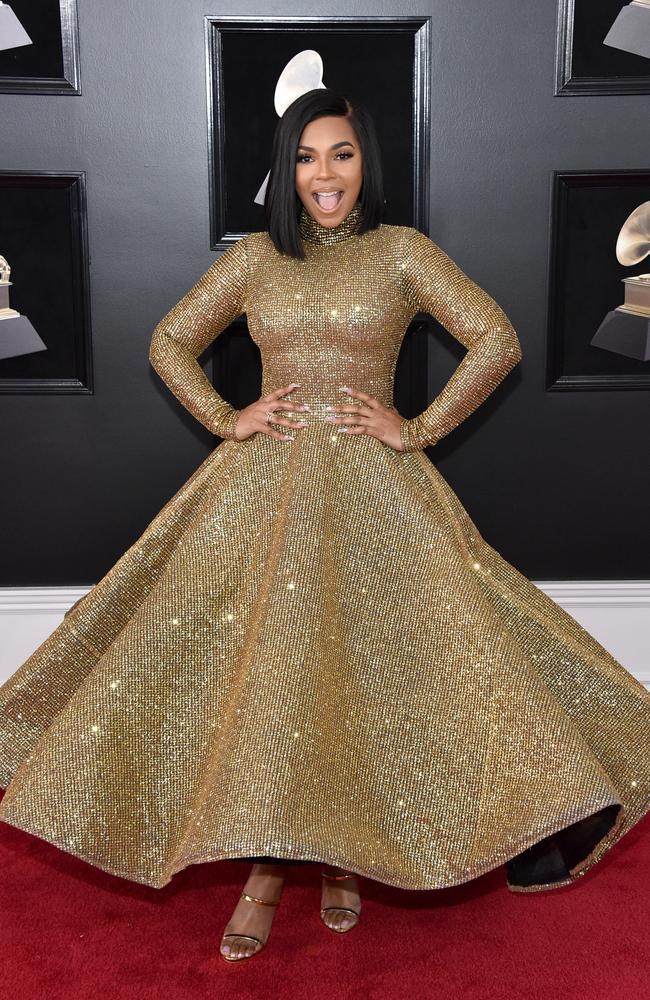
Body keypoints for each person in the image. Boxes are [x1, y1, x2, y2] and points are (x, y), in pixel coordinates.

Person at [0, 89, 648, 967]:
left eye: (340, 154)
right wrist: (229, 416)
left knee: (360, 669)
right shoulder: (257, 261)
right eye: (305, 157)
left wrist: (413, 428)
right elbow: (167, 343)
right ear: (285, 169)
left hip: (375, 494)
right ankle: (266, 871)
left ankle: (345, 860)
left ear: (365, 164)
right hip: (265, 496)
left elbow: (495, 338)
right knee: (274, 677)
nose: (324, 175)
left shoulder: (401, 253)